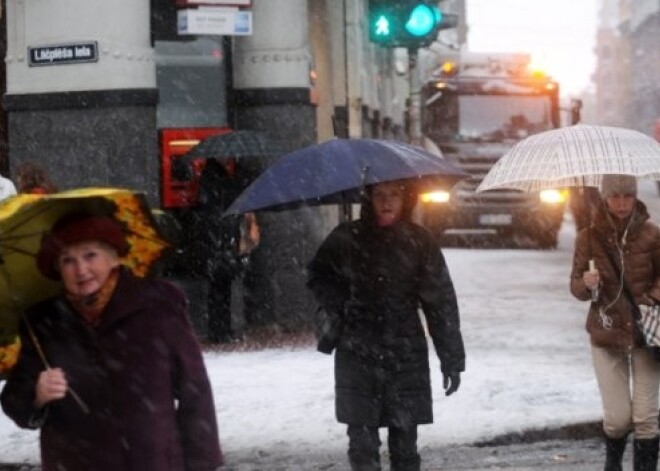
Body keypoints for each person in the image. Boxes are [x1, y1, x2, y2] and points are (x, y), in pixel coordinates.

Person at [0, 212, 223, 470]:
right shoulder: (42, 321)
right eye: (68, 260)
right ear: (57, 269)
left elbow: (193, 388)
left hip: (150, 459)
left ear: (114, 258)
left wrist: (201, 463)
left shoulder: (157, 304)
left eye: (90, 255)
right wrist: (36, 395)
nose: (81, 270)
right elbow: (14, 402)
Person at [307, 180, 465, 471]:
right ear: (368, 198)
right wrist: (341, 299)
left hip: (405, 353)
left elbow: (440, 303)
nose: (387, 202)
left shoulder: (419, 241)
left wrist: (451, 359)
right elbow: (319, 276)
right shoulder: (346, 238)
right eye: (379, 195)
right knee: (362, 446)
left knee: (405, 447)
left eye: (394, 195)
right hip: (358, 351)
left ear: (407, 199)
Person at [570, 174, 660, 471]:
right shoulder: (588, 237)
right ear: (605, 198)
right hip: (606, 334)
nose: (622, 203)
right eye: (615, 196)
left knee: (646, 418)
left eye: (627, 196)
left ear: (635, 197)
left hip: (646, 335)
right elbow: (576, 288)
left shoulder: (652, 234)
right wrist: (586, 282)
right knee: (618, 419)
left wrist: (649, 299)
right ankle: (613, 464)